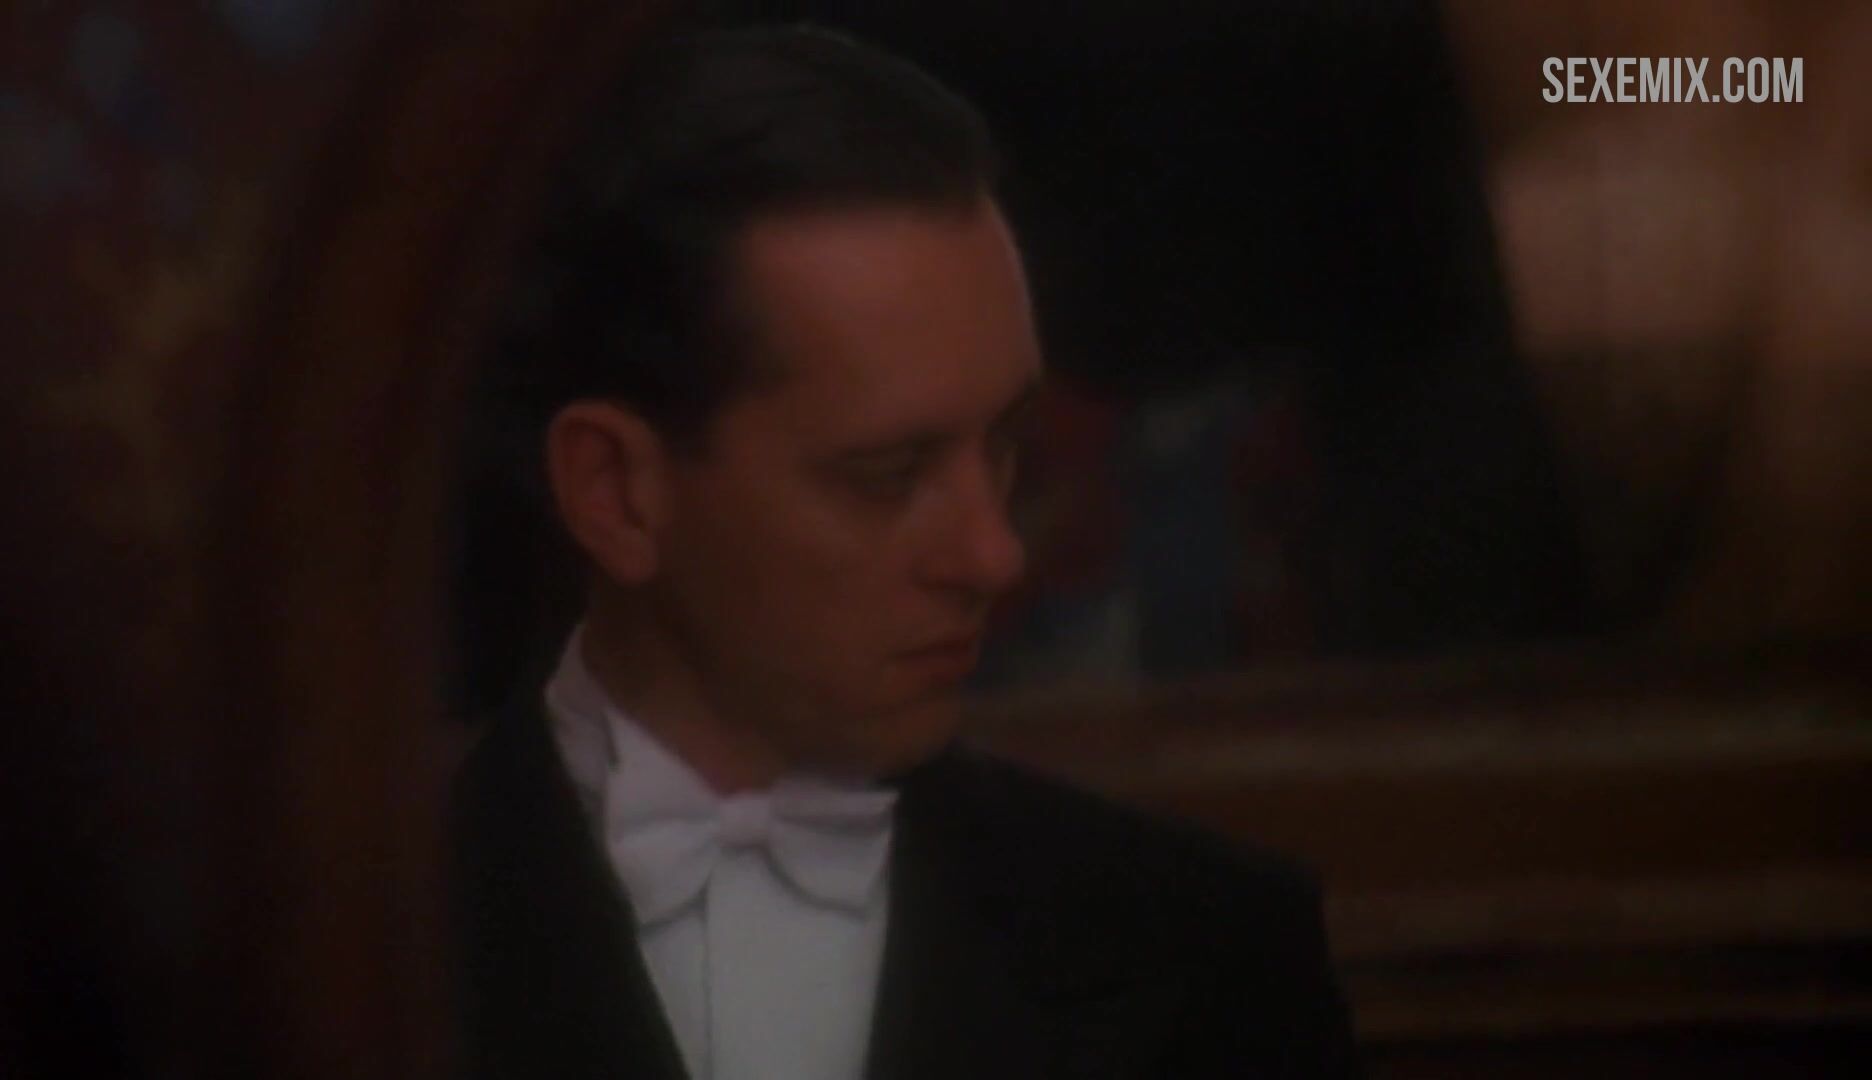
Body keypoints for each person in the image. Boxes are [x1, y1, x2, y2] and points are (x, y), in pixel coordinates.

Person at [449, 23, 1360, 1079]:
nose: (994, 556)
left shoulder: (1214, 957)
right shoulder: (328, 959)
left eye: (1005, 447)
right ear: (617, 494)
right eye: (887, 474)